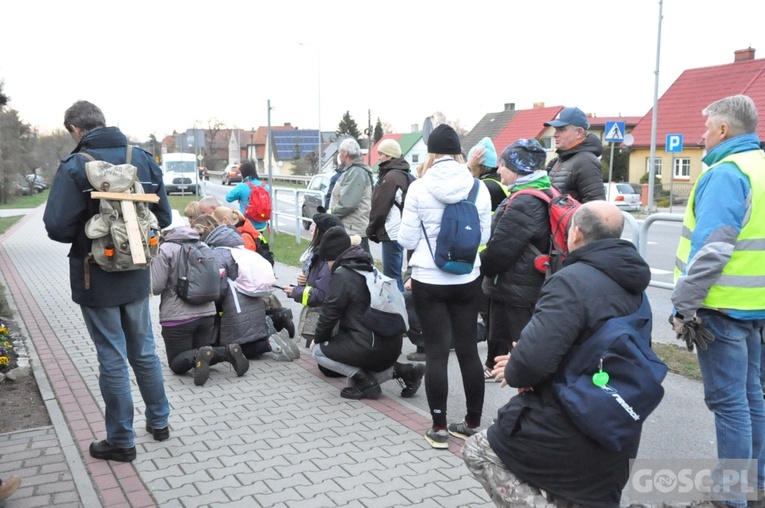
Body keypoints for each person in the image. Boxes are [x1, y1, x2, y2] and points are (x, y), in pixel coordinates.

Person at [463, 201, 651, 507]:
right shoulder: (635, 286)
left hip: (568, 421)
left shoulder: (570, 282)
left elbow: (533, 363)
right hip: (618, 419)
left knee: (480, 451)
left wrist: (516, 365)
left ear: (575, 234)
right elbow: (597, 350)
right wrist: (525, 357)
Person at [43, 100, 171, 462]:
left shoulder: (74, 166)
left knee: (111, 357)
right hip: (137, 271)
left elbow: (55, 226)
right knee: (144, 350)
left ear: (75, 130)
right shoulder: (141, 158)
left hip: (94, 273)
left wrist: (89, 233)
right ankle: (160, 422)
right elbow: (164, 214)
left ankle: (120, 440)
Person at [671, 94, 765, 505]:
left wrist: (682, 306)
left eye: (707, 127)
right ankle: (756, 481)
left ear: (724, 130)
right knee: (751, 397)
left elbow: (712, 250)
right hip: (754, 306)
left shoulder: (726, 173)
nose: (702, 134)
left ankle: (731, 496)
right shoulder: (759, 167)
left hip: (721, 307)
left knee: (730, 405)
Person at [398, 124, 492, 449]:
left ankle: (438, 428)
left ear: (431, 153)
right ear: (458, 153)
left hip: (428, 279)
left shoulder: (419, 188)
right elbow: (486, 237)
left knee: (437, 353)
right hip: (468, 277)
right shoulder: (479, 188)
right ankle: (472, 422)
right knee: (467, 351)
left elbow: (407, 239)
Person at [310, 226, 425, 400]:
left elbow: (329, 315)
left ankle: (366, 382)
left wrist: (318, 340)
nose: (327, 265)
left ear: (333, 256)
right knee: (352, 376)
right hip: (389, 344)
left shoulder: (342, 275)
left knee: (318, 352)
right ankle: (405, 371)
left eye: (327, 261)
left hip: (369, 346)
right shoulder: (367, 267)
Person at [479, 139, 551, 381]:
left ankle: (526, 411)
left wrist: (481, 263)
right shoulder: (542, 191)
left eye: (503, 165)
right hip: (524, 287)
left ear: (519, 168)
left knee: (522, 363)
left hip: (517, 291)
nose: (498, 170)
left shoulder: (524, 202)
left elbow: (500, 251)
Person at [151, 225, 250, 387]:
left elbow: (156, 286)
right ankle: (227, 352)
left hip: (177, 317)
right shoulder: (204, 246)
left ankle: (201, 354)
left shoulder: (165, 249)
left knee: (177, 363)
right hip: (207, 313)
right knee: (204, 355)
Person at [199, 219, 298, 362]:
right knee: (250, 338)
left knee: (236, 349)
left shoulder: (219, 254)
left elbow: (219, 286)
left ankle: (271, 344)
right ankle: (272, 337)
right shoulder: (238, 250)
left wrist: (214, 300)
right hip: (253, 300)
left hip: (235, 306)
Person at [367, 138, 414, 292]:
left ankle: (399, 312)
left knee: (392, 278)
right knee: (397, 275)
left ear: (390, 156)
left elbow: (379, 209)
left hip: (392, 232)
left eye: (381, 154)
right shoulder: (405, 175)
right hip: (403, 230)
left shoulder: (390, 178)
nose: (379, 157)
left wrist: (371, 230)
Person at [543, 106, 606, 203]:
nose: (555, 134)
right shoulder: (557, 161)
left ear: (579, 132)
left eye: (561, 129)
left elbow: (595, 206)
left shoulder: (586, 161)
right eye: (556, 129)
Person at [329, 138, 374, 253]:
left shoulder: (356, 173)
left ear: (345, 153)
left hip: (354, 231)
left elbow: (348, 203)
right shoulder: (351, 171)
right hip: (351, 229)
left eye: (340, 152)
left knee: (358, 266)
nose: (339, 155)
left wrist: (331, 214)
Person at [225, 160, 270, 231]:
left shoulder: (242, 186)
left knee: (247, 241)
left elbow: (228, 198)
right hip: (262, 224)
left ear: (243, 173)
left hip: (247, 225)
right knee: (260, 241)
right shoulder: (264, 186)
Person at [467, 137, 508, 212]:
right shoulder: (500, 180)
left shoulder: (484, 186)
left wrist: (467, 167)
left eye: (472, 164)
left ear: (480, 165)